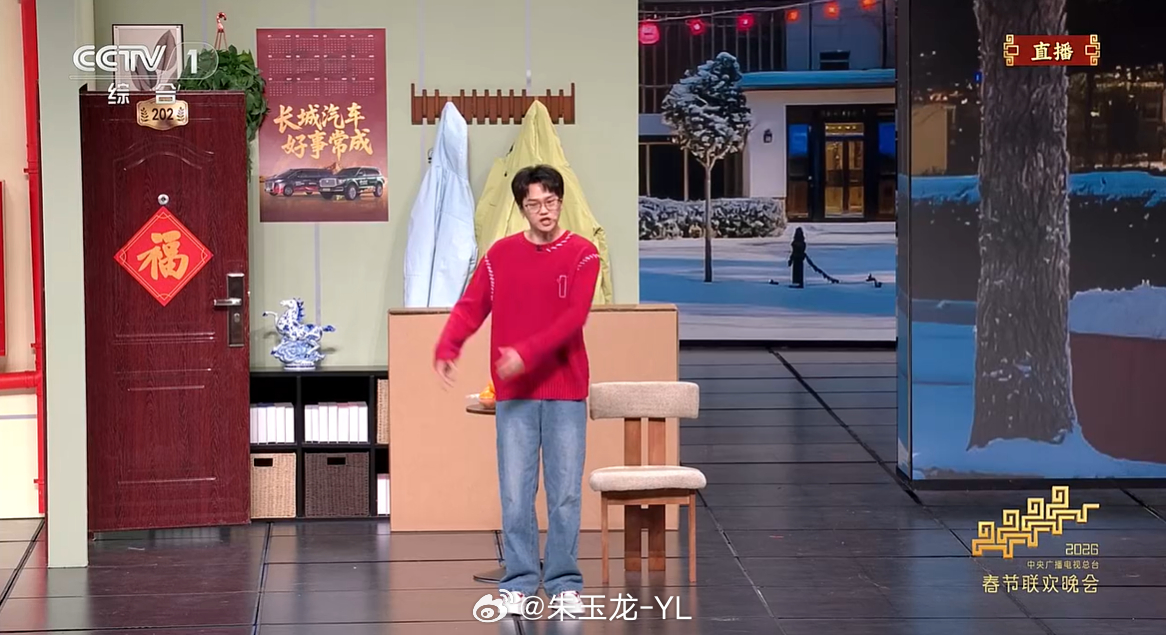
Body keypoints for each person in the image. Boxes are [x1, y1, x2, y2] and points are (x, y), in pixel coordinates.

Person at [433, 164, 600, 618]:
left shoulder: (583, 255)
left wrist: (527, 352)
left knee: (565, 494)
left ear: (560, 202)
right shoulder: (500, 256)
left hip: (565, 391)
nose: (543, 211)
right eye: (533, 204)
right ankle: (521, 580)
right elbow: (471, 307)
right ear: (522, 207)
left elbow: (574, 318)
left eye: (550, 202)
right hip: (515, 394)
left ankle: (564, 584)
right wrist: (448, 345)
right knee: (515, 493)